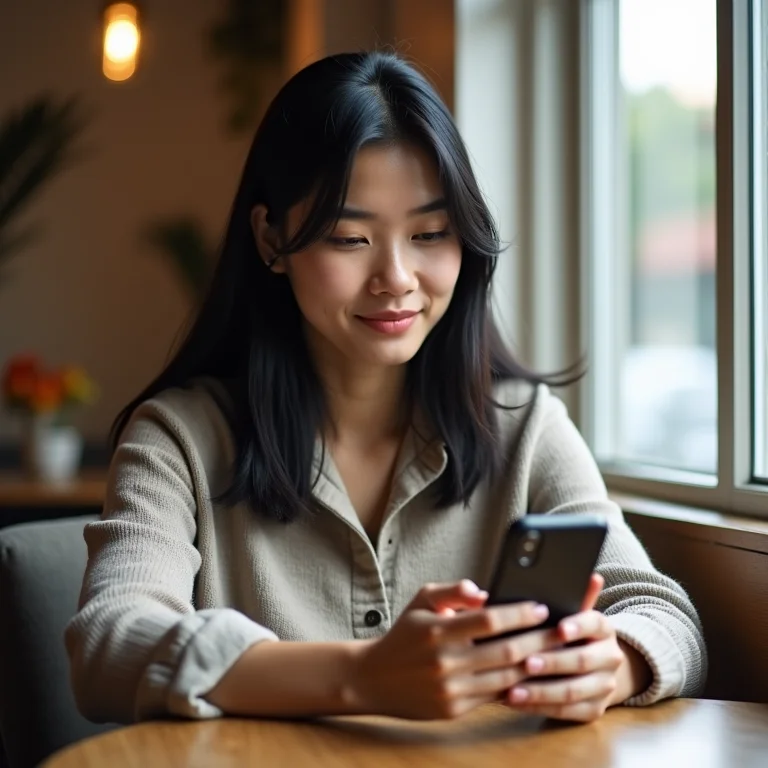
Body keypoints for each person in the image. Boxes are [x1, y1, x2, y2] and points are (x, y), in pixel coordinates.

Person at [65, 51, 706, 726]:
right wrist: (359, 676)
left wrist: (613, 661)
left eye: (431, 233)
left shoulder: (523, 425)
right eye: (349, 238)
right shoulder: (181, 439)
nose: (397, 277)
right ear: (271, 239)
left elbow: (662, 616)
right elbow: (109, 644)